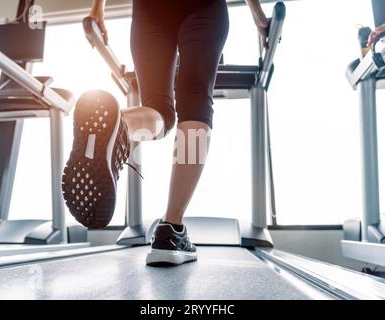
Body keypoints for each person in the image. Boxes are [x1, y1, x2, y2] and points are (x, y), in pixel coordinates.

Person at [62, 0, 269, 266]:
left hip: (150, 9)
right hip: (203, 9)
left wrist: (97, 10)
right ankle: (172, 228)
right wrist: (258, 15)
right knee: (195, 103)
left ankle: (121, 124)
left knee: (159, 108)